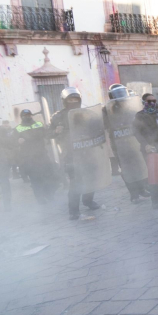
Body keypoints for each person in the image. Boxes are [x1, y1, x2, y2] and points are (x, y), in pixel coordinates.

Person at [50, 87, 101, 220]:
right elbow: (48, 134)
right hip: (70, 154)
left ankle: (88, 201)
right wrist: (56, 131)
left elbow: (97, 129)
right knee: (75, 182)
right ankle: (73, 211)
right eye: (70, 99)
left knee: (91, 178)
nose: (73, 101)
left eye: (75, 99)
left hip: (87, 151)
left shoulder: (86, 113)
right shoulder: (58, 116)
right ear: (65, 101)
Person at [103, 84, 152, 203]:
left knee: (139, 164)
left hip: (133, 139)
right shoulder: (107, 109)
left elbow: (139, 120)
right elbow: (104, 125)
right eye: (117, 95)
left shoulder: (131, 106)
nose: (120, 98)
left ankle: (142, 189)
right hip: (119, 142)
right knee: (126, 168)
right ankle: (134, 194)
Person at [0, 114, 12, 210]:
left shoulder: (2, 130)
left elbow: (9, 143)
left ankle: (7, 203)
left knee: (4, 181)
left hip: (1, 159)